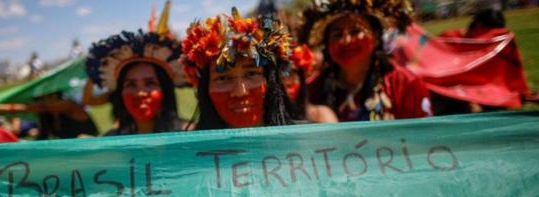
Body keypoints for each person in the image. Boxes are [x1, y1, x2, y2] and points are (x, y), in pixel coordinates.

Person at [303, 0, 433, 122]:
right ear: (327, 44)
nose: (346, 41)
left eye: (355, 32)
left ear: (376, 37)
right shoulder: (312, 90)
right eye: (337, 35)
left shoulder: (405, 84)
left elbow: (426, 138)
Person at [180, 8, 297, 130]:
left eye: (251, 73)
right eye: (223, 77)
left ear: (272, 81)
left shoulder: (307, 140)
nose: (240, 92)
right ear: (204, 89)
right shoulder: (187, 147)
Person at [85, 30, 187, 135]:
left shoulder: (189, 135)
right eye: (131, 84)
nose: (140, 93)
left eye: (150, 83)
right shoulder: (111, 142)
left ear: (165, 89)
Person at [0, 92, 99, 139]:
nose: (47, 102)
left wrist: (3, 107)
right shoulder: (47, 116)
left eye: (51, 97)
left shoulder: (70, 106)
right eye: (43, 98)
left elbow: (43, 107)